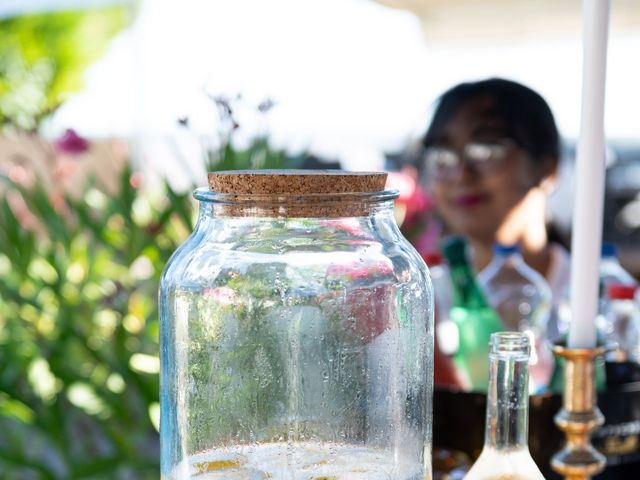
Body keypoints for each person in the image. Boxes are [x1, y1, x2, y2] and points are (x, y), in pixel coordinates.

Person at [420, 78, 570, 302]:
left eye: (486, 149)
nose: (460, 174)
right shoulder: (421, 302)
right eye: (442, 154)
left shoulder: (604, 303)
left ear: (547, 169)